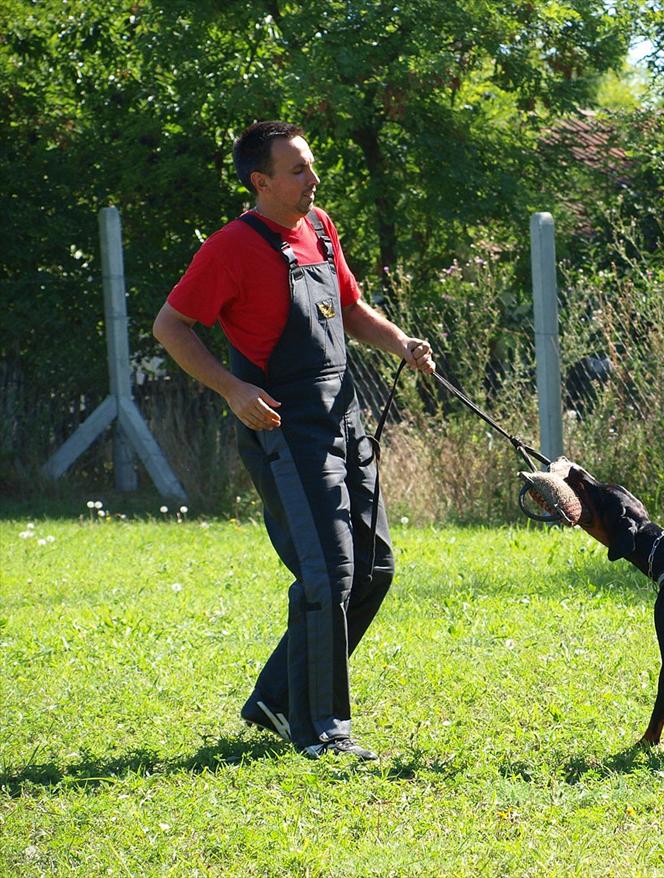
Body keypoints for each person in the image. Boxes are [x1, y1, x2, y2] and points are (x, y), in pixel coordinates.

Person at [153, 120, 434, 761]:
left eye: (311, 165)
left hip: (343, 418)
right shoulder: (230, 247)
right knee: (327, 576)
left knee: (374, 568)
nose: (314, 178)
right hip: (282, 428)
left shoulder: (321, 229)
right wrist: (232, 389)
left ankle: (278, 697)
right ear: (262, 182)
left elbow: (349, 308)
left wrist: (400, 344)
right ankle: (320, 730)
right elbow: (171, 326)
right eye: (299, 169)